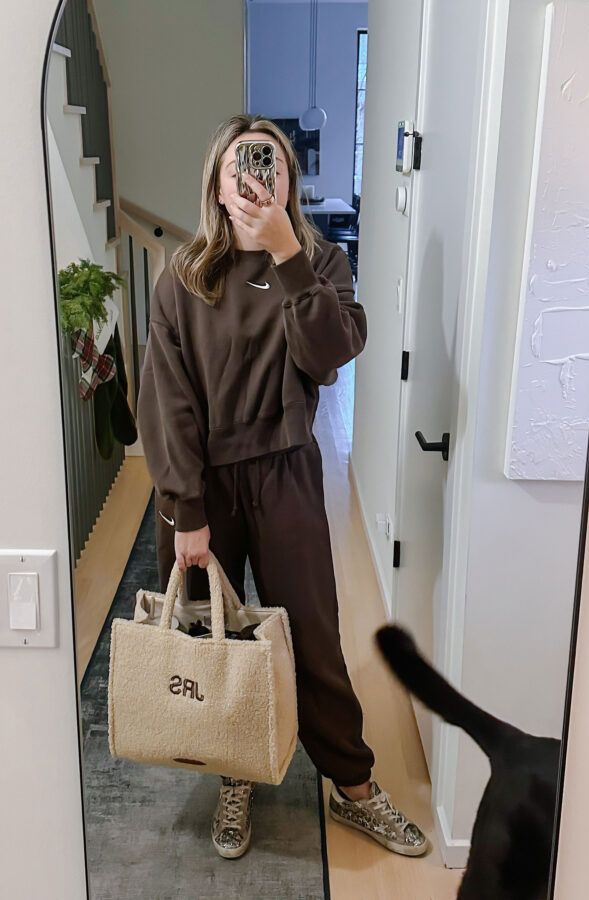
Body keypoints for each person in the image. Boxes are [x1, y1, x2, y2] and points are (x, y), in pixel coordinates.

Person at [136, 113, 428, 860]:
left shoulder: (321, 261)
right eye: (241, 164)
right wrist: (186, 511)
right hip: (201, 488)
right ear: (217, 181)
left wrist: (289, 254)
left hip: (287, 471)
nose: (256, 177)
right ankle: (237, 776)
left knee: (314, 637)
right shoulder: (183, 277)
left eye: (269, 164)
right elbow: (166, 400)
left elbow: (329, 354)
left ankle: (353, 787)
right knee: (216, 640)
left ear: (288, 180)